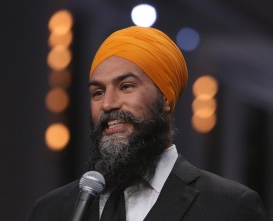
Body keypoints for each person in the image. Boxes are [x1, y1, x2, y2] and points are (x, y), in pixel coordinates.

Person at [26, 26, 268, 221]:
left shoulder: (227, 206)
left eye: (126, 86)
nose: (108, 103)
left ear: (165, 98)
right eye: (97, 92)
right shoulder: (52, 210)